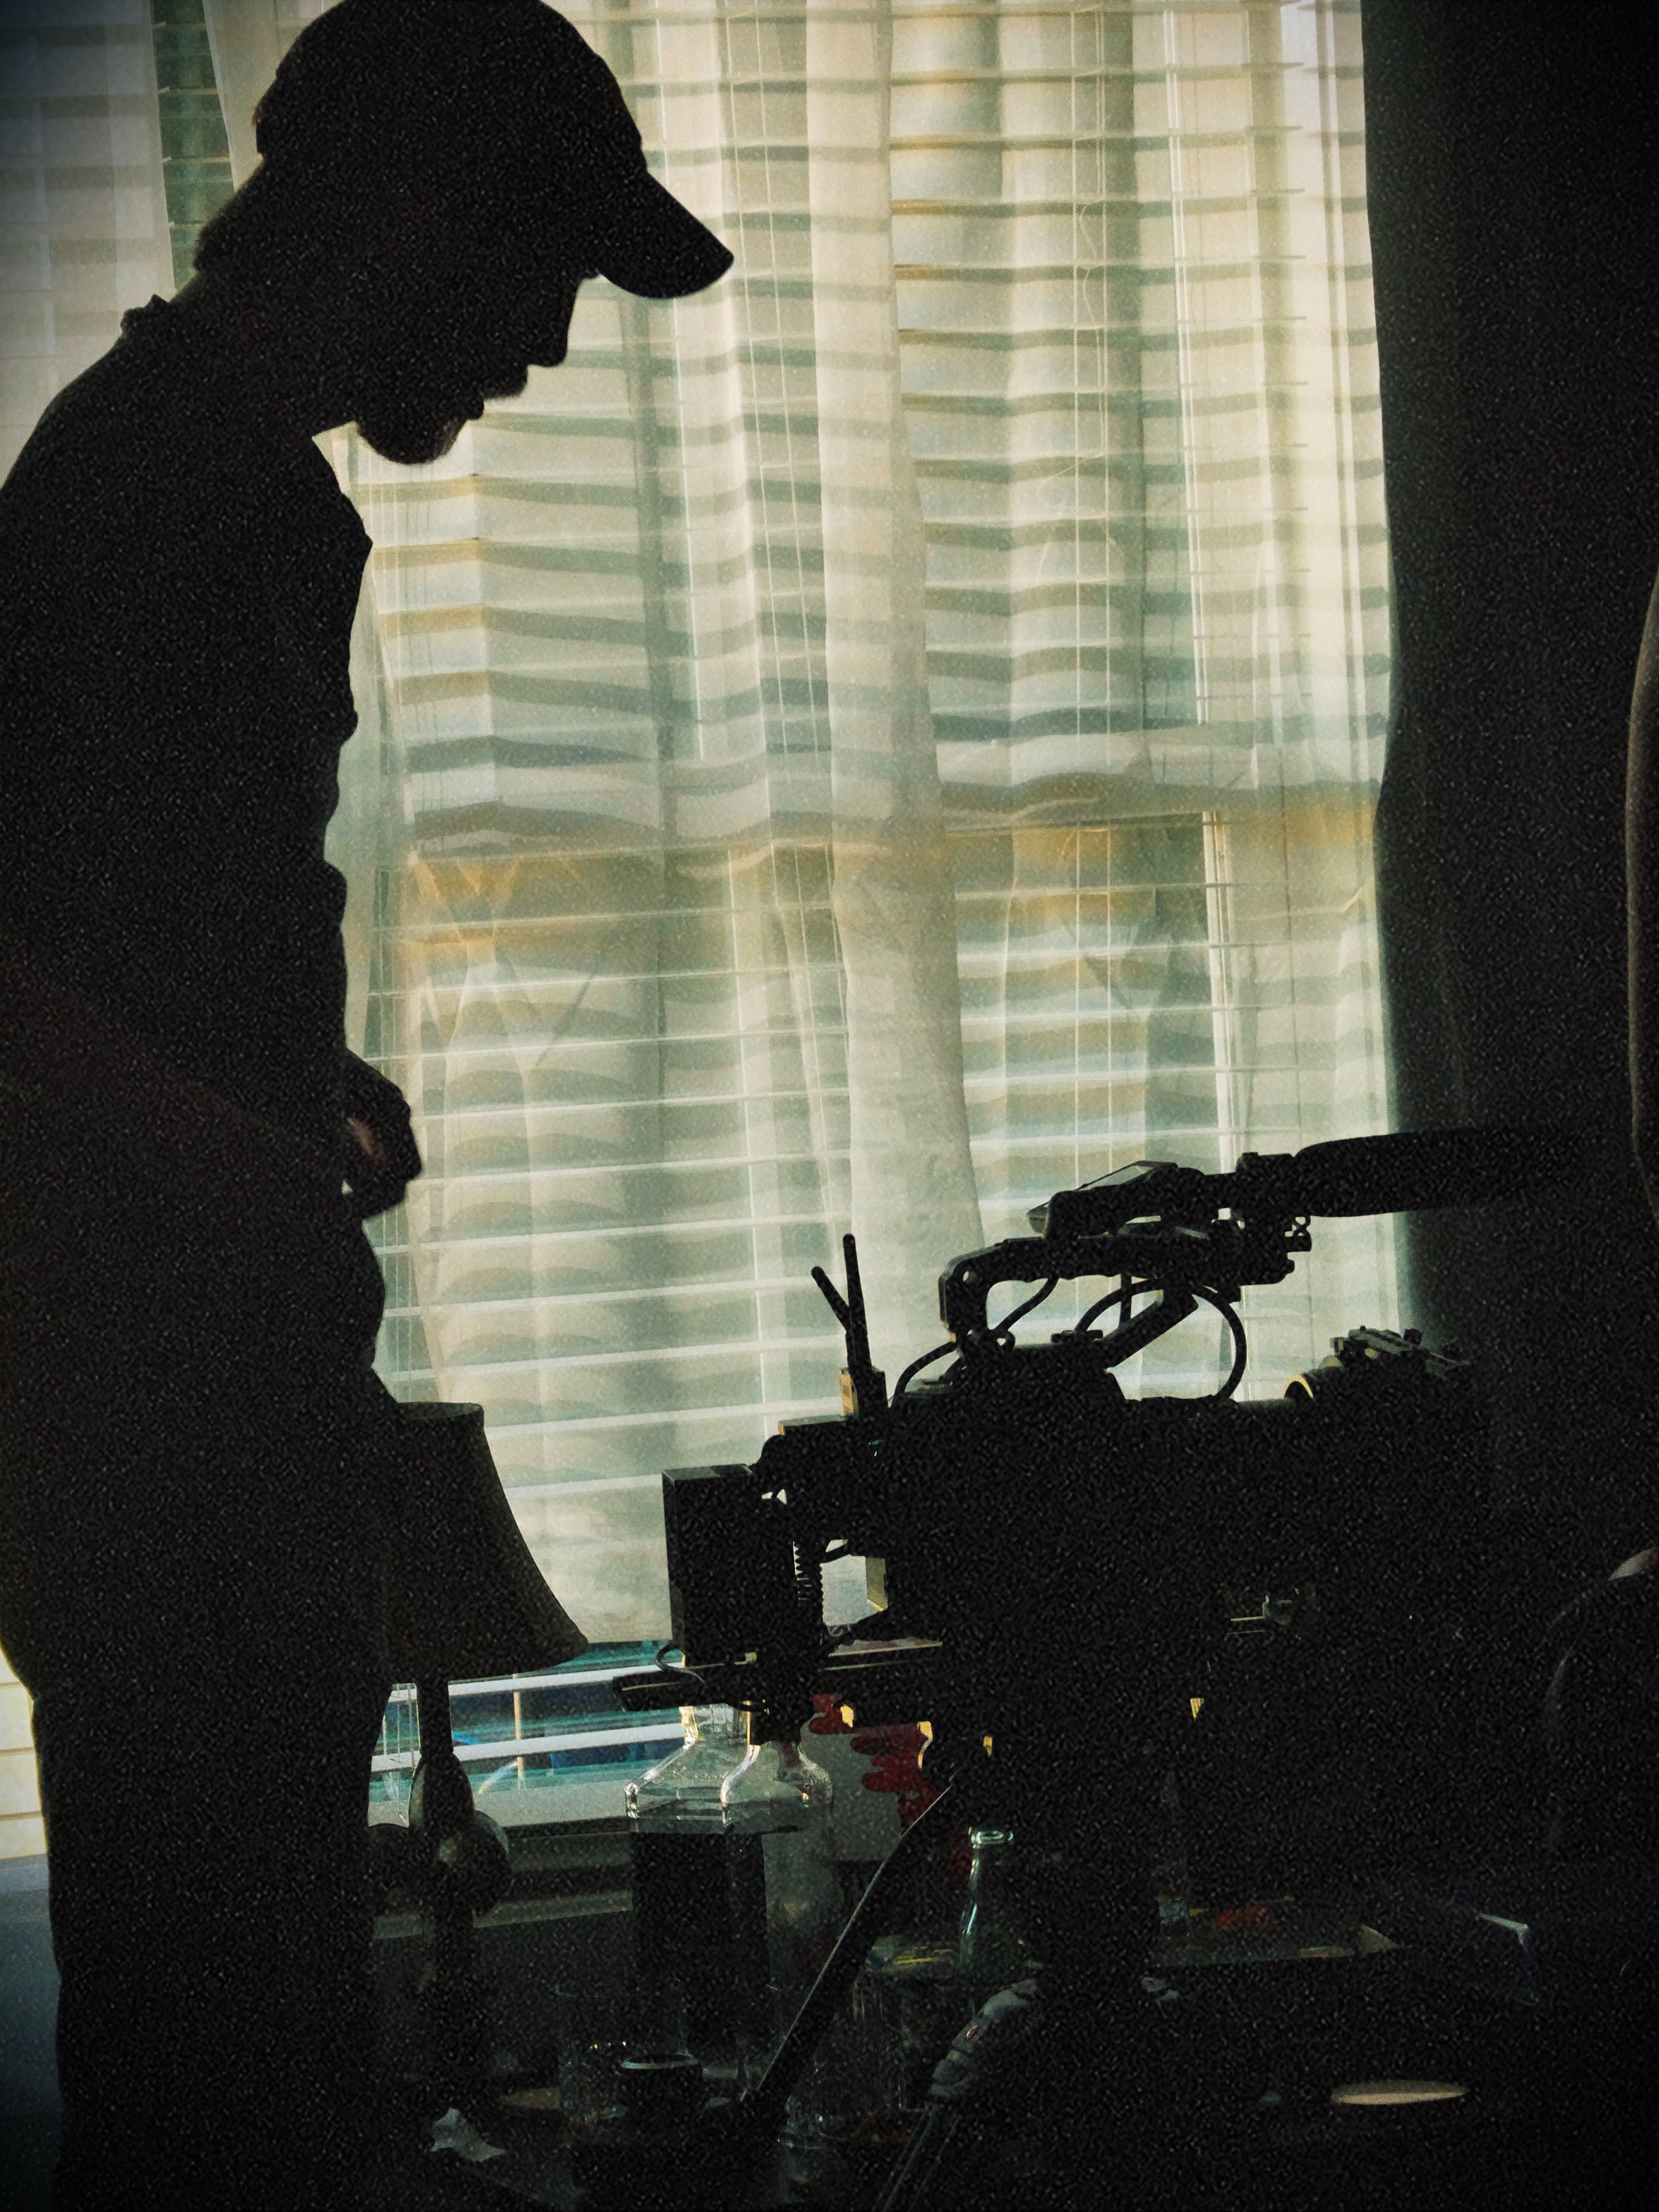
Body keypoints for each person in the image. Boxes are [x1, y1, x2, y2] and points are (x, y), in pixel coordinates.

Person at [0, 4, 731, 2205]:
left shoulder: (220, 480)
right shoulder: (158, 486)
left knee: (260, 2045)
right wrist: (226, 1156)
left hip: (195, 1397)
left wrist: (289, 1071)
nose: (548, 341)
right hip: (150, 1425)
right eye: (540, 271)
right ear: (413, 221)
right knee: (228, 2084)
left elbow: (101, 905)